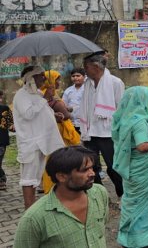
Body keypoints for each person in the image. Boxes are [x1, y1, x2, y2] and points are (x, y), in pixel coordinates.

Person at [13, 146, 108, 248]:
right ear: (61, 177)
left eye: (91, 168)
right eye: (84, 170)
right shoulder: (34, 218)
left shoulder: (99, 193)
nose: (92, 173)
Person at [111, 87, 148, 248]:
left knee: (134, 201)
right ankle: (139, 238)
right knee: (143, 202)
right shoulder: (139, 121)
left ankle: (137, 237)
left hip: (133, 167)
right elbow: (142, 146)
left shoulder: (125, 118)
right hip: (142, 168)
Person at [13, 65, 66, 208]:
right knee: (29, 178)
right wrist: (46, 98)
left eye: (44, 74)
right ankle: (29, 208)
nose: (44, 78)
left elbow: (40, 112)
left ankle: (33, 207)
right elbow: (28, 114)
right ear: (30, 78)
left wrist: (54, 115)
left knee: (36, 177)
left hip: (41, 142)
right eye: (40, 75)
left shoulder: (36, 93)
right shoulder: (21, 95)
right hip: (31, 143)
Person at [80, 52, 126, 197]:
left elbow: (121, 109)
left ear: (95, 66)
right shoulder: (87, 84)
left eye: (86, 67)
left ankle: (123, 194)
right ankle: (98, 195)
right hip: (90, 132)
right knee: (91, 167)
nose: (84, 70)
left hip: (108, 133)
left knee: (113, 167)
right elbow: (86, 107)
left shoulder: (115, 83)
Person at [62, 68, 86, 133]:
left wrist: (74, 108)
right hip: (72, 122)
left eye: (78, 76)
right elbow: (64, 104)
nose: (75, 78)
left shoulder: (87, 89)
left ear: (84, 76)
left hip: (84, 122)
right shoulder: (68, 91)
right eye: (73, 76)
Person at [0, 91, 10, 190]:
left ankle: (2, 180)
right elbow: (11, 125)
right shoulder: (5, 108)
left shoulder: (5, 109)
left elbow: (10, 124)